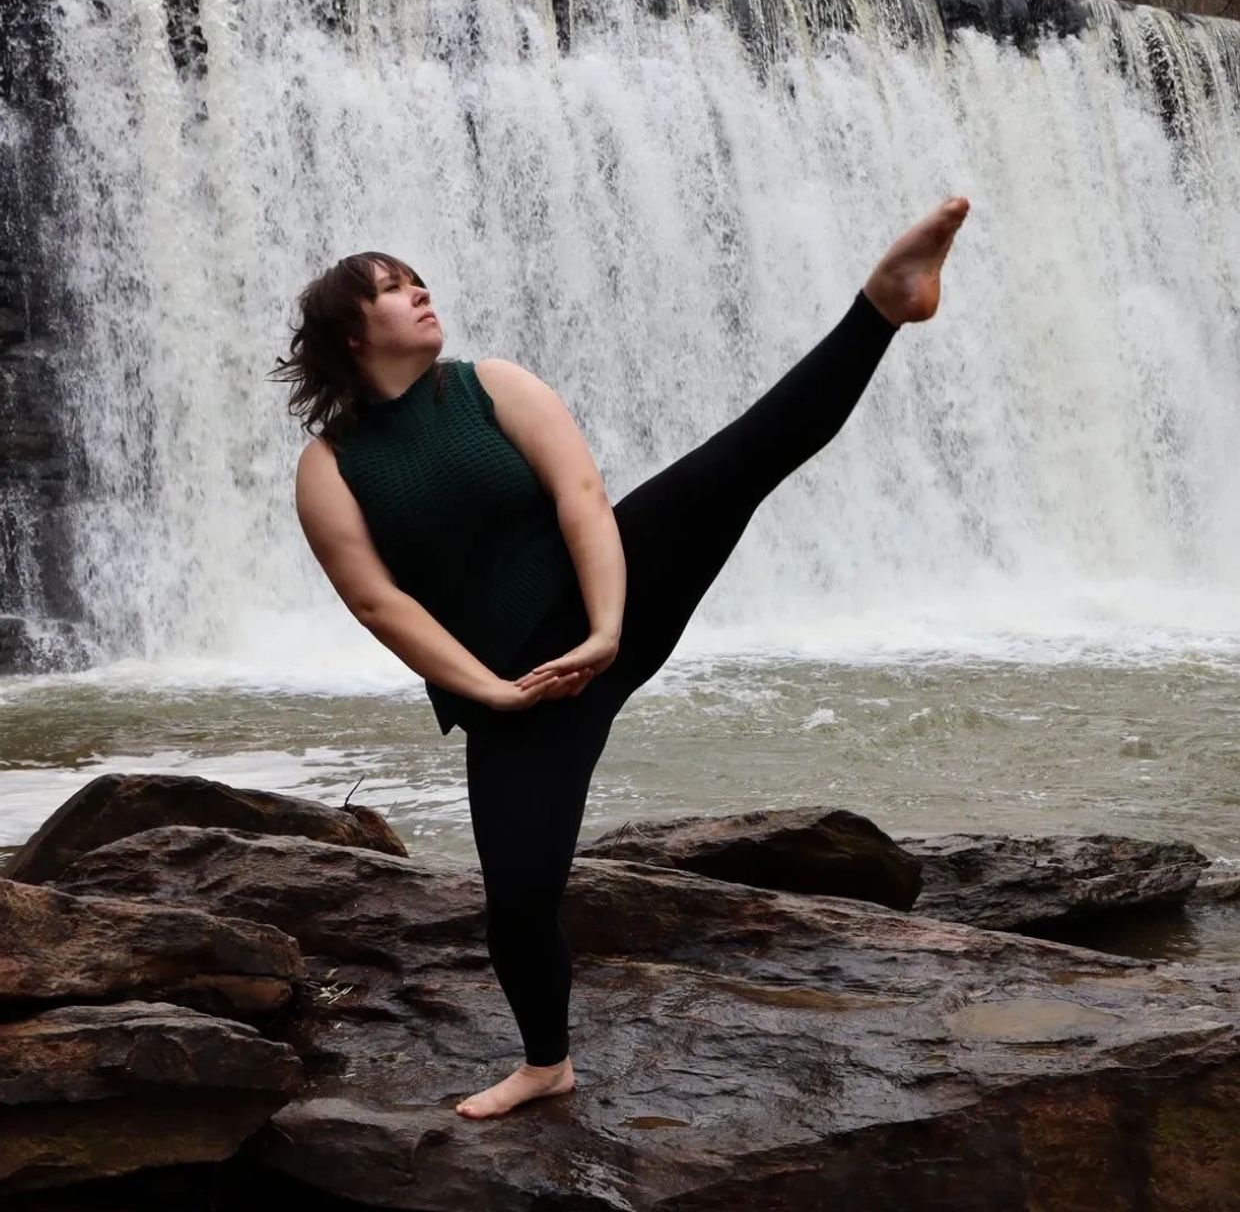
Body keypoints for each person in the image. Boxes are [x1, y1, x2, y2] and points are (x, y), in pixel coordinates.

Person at [278, 195, 970, 1120]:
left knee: (742, 459)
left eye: (417, 280)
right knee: (519, 901)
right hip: (513, 691)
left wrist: (606, 631)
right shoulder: (328, 468)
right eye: (393, 291)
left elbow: (582, 496)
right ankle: (546, 1064)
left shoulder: (494, 386)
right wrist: (491, 690)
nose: (419, 294)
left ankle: (883, 303)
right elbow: (377, 600)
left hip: (603, 599)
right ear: (350, 337)